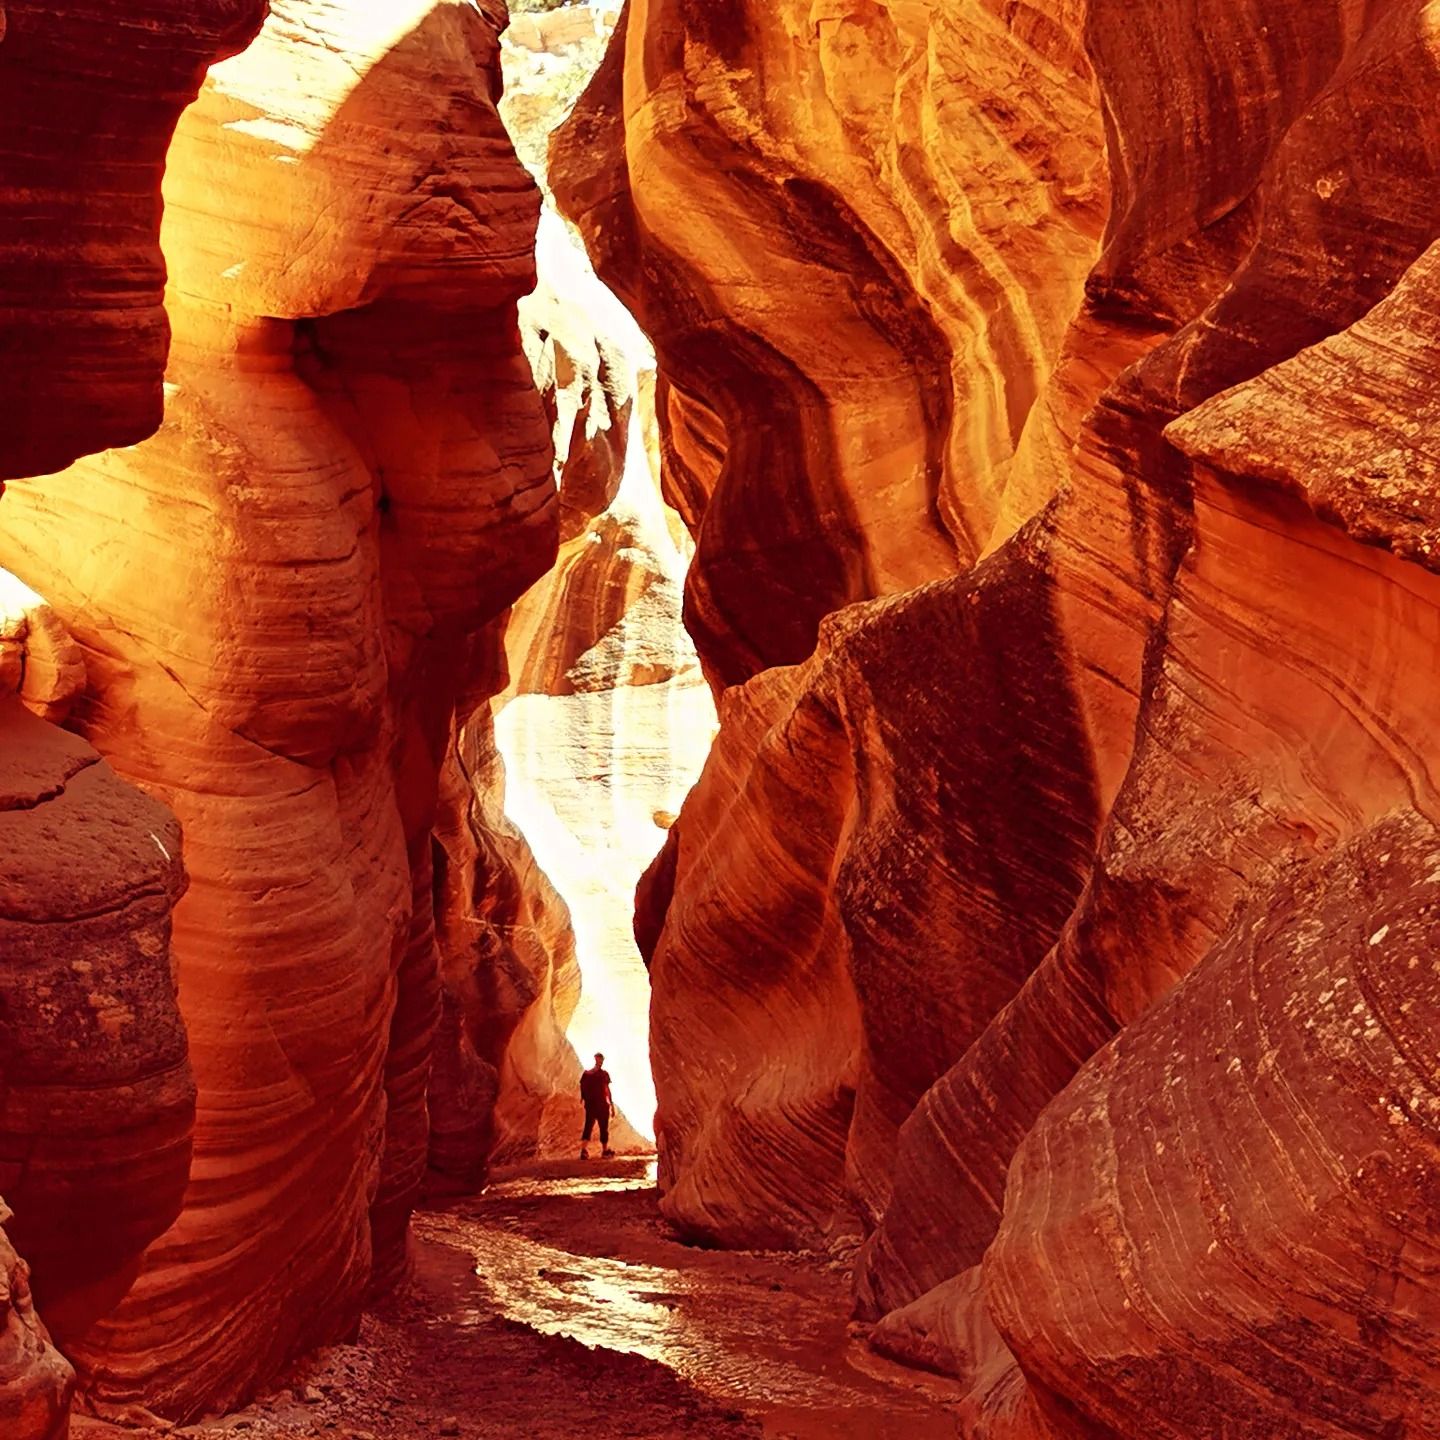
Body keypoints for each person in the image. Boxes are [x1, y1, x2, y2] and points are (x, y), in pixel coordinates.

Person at [579, 1053, 614, 1160]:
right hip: (601, 1104)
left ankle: (584, 1151)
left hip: (591, 1104)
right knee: (602, 1127)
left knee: (589, 1126)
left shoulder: (587, 1074)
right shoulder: (602, 1074)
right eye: (600, 1060)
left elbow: (582, 1088)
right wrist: (611, 1104)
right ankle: (604, 1151)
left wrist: (583, 1098)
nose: (601, 1061)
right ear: (597, 1060)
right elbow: (607, 1089)